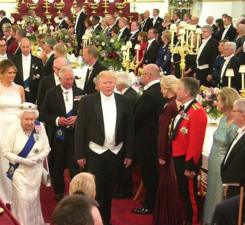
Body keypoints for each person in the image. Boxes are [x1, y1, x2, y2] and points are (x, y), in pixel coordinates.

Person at [75, 70, 134, 225]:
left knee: (109, 190)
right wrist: (79, 154)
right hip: (95, 152)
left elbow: (129, 129)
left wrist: (129, 154)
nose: (108, 85)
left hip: (115, 152)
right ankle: (90, 220)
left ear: (115, 83)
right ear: (98, 85)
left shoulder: (125, 101)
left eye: (111, 82)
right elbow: (80, 129)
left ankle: (105, 221)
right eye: (105, 83)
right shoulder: (87, 101)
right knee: (94, 190)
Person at [40, 65, 85, 201]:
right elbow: (42, 114)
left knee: (74, 167)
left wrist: (78, 118)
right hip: (57, 136)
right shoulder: (51, 93)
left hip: (75, 137)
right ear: (60, 79)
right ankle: (59, 191)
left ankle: (76, 193)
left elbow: (87, 114)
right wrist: (57, 120)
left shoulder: (80, 92)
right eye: (66, 79)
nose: (70, 82)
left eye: (72, 79)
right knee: (57, 166)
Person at [3, 102, 50, 225]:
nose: (30, 122)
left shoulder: (40, 127)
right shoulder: (13, 128)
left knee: (33, 201)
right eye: (27, 119)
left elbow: (47, 148)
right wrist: (23, 160)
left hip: (36, 171)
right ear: (20, 117)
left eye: (32, 119)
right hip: (20, 171)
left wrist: (38, 158)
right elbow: (6, 152)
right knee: (23, 199)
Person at [169, 77, 207, 225]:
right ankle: (186, 219)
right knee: (183, 193)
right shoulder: (185, 108)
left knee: (190, 196)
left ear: (186, 92)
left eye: (179, 88)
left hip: (186, 159)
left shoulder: (197, 111)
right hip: (178, 155)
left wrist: (190, 165)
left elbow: (196, 142)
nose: (176, 91)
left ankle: (193, 221)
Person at [0, 59, 25, 205]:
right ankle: (4, 194)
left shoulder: (20, 89)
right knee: (4, 161)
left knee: (18, 158)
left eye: (14, 73)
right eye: (9, 73)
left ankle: (17, 193)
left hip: (17, 127)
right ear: (2, 73)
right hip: (1, 127)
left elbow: (24, 110)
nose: (12, 76)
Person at [202, 87, 240, 225]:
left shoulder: (236, 123)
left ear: (226, 101)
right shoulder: (223, 119)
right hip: (213, 161)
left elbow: (234, 150)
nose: (216, 103)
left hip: (223, 165)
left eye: (218, 100)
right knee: (211, 194)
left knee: (219, 195)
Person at [132, 64, 166, 214]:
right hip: (155, 138)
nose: (140, 76)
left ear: (150, 75)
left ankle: (150, 204)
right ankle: (154, 202)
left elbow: (137, 116)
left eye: (142, 74)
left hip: (147, 140)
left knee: (149, 173)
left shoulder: (150, 94)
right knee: (153, 174)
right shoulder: (159, 90)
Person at [153, 75, 182, 225]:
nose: (160, 91)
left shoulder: (170, 106)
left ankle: (166, 218)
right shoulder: (177, 104)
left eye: (161, 87)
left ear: (166, 88)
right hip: (173, 150)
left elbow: (163, 133)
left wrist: (161, 154)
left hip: (166, 152)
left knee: (167, 184)